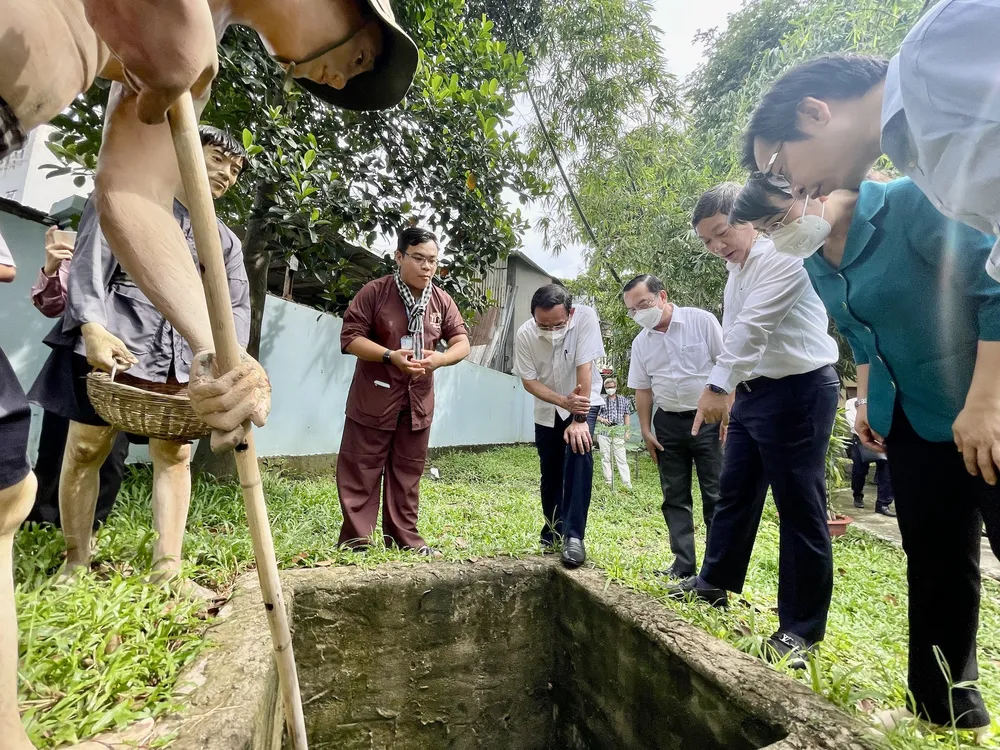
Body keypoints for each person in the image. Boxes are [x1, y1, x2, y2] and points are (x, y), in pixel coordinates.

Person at [729, 174, 1000, 738]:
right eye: (767, 231)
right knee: (935, 563)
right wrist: (867, 402)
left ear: (811, 187)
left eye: (780, 220)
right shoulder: (816, 259)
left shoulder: (912, 202)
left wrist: (984, 402)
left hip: (985, 405)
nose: (780, 236)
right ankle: (944, 710)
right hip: (916, 419)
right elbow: (859, 332)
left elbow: (992, 289)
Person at [29, 125, 250, 596]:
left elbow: (234, 310)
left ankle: (167, 571)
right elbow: (88, 264)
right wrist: (91, 326)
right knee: (86, 448)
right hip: (117, 343)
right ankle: (75, 560)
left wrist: (229, 361)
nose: (226, 173)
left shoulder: (224, 241)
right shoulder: (125, 199)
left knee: (174, 454)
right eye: (217, 159)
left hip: (182, 359)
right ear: (183, 151)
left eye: (235, 169)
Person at [666, 183, 840, 670]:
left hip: (800, 390)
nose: (717, 246)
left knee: (799, 507)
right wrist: (734, 389)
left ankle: (800, 631)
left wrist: (718, 385)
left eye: (721, 233)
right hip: (753, 393)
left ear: (745, 219)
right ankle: (713, 583)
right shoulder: (734, 271)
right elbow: (739, 335)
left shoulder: (782, 257)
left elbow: (753, 328)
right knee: (735, 491)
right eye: (707, 241)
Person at [337, 227, 470, 554]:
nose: (427, 267)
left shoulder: (441, 300)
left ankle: (404, 539)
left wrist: (441, 359)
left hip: (417, 401)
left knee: (408, 474)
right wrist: (389, 355)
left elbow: (462, 342)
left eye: (433, 261)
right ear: (399, 257)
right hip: (375, 396)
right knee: (361, 469)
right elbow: (350, 338)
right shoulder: (376, 292)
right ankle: (356, 541)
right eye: (420, 259)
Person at [25, 226, 130, 529]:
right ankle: (42, 523)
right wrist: (52, 266)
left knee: (113, 453)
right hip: (75, 357)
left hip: (122, 362)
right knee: (57, 445)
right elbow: (52, 306)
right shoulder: (88, 251)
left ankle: (93, 526)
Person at [623, 274, 724, 579]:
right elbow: (643, 389)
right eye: (632, 310)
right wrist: (645, 429)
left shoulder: (701, 322)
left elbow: (727, 365)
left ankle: (715, 570)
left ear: (662, 296)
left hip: (708, 419)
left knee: (716, 496)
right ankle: (683, 565)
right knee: (674, 496)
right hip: (667, 423)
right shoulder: (641, 343)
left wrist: (729, 415)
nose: (639, 313)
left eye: (644, 304)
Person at [514, 284, 605, 568]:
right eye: (544, 324)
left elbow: (585, 368)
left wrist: (578, 419)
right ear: (534, 316)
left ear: (570, 312)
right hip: (549, 404)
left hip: (583, 399)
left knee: (579, 456)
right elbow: (529, 381)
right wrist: (561, 402)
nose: (551, 330)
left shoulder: (585, 318)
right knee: (550, 468)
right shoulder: (526, 334)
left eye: (558, 324)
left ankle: (574, 537)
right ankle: (553, 530)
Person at [843, 396, 894, 516]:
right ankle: (857, 494)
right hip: (861, 440)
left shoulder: (880, 400)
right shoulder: (851, 402)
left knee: (887, 470)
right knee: (859, 471)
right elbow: (854, 423)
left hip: (881, 439)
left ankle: (883, 504)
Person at [595, 378, 632, 491]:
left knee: (621, 458)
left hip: (618, 432)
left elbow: (626, 415)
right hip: (604, 432)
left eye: (612, 387)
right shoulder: (600, 400)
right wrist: (602, 420)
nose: (610, 389)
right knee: (605, 458)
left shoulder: (623, 400)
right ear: (605, 388)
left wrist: (627, 431)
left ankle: (627, 483)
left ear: (616, 387)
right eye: (607, 388)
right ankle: (608, 482)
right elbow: (594, 415)